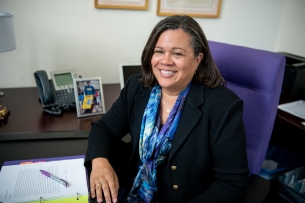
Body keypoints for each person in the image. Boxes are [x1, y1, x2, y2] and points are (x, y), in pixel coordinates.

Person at [85, 15, 249, 203]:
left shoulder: (223, 107)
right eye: (159, 51)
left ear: (197, 60)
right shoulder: (137, 87)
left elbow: (231, 185)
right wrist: (100, 162)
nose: (165, 61)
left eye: (177, 53)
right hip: (130, 193)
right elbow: (104, 129)